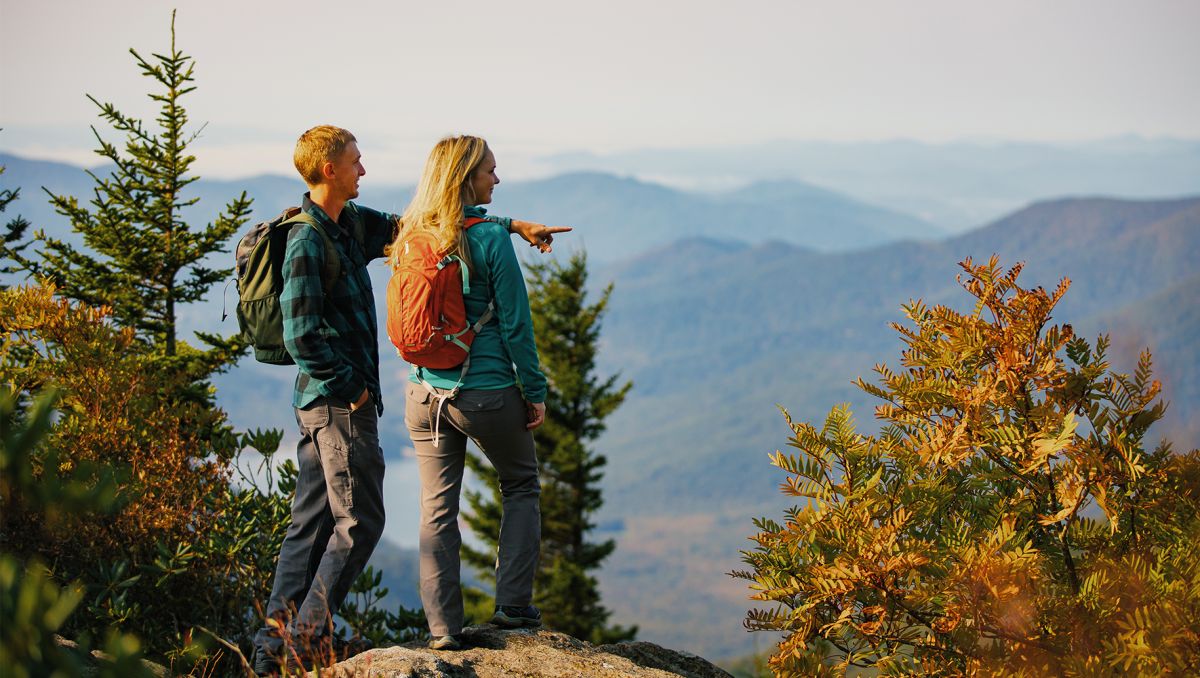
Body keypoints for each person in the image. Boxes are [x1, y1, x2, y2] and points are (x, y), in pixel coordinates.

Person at [252, 126, 567, 675]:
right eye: (355, 161)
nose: (364, 170)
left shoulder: (363, 225)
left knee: (325, 525)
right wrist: (352, 391)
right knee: (366, 522)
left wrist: (513, 224)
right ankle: (301, 642)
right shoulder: (306, 240)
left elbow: (424, 222)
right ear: (330, 169)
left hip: (415, 397)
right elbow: (301, 336)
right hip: (345, 402)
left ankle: (278, 647)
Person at [397, 135, 548, 651]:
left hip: (424, 396)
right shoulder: (489, 241)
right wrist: (534, 391)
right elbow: (516, 326)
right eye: (490, 171)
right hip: (485, 394)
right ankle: (512, 607)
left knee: (436, 510)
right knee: (522, 485)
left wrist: (514, 223)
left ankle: (442, 629)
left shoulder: (412, 232)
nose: (497, 179)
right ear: (466, 178)